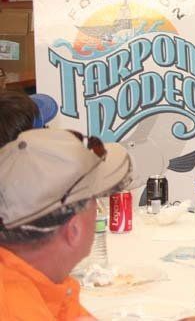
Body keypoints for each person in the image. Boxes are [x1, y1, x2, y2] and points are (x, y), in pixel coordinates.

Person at [0, 128, 132, 320]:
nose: (98, 209)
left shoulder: (38, 278)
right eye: (94, 198)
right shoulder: (19, 310)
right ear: (74, 230)